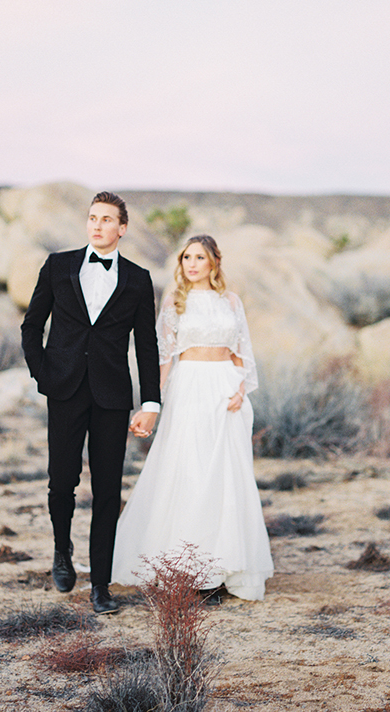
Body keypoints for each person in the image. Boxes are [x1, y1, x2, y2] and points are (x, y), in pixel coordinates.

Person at [112, 235, 273, 602]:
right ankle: (186, 568)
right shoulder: (175, 301)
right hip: (189, 388)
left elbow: (242, 353)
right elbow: (164, 358)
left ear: (214, 262)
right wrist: (152, 402)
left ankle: (221, 566)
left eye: (200, 257)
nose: (192, 264)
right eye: (187, 257)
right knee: (188, 469)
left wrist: (240, 390)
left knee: (225, 473)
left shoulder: (231, 301)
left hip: (225, 391)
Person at [21, 191, 161, 614]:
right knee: (62, 482)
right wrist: (43, 373)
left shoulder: (138, 279)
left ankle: (101, 585)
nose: (97, 225)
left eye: (107, 219)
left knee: (107, 490)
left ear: (122, 228)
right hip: (64, 389)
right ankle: (61, 550)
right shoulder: (58, 266)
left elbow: (147, 346)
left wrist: (151, 401)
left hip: (112, 396)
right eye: (92, 218)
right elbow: (32, 326)